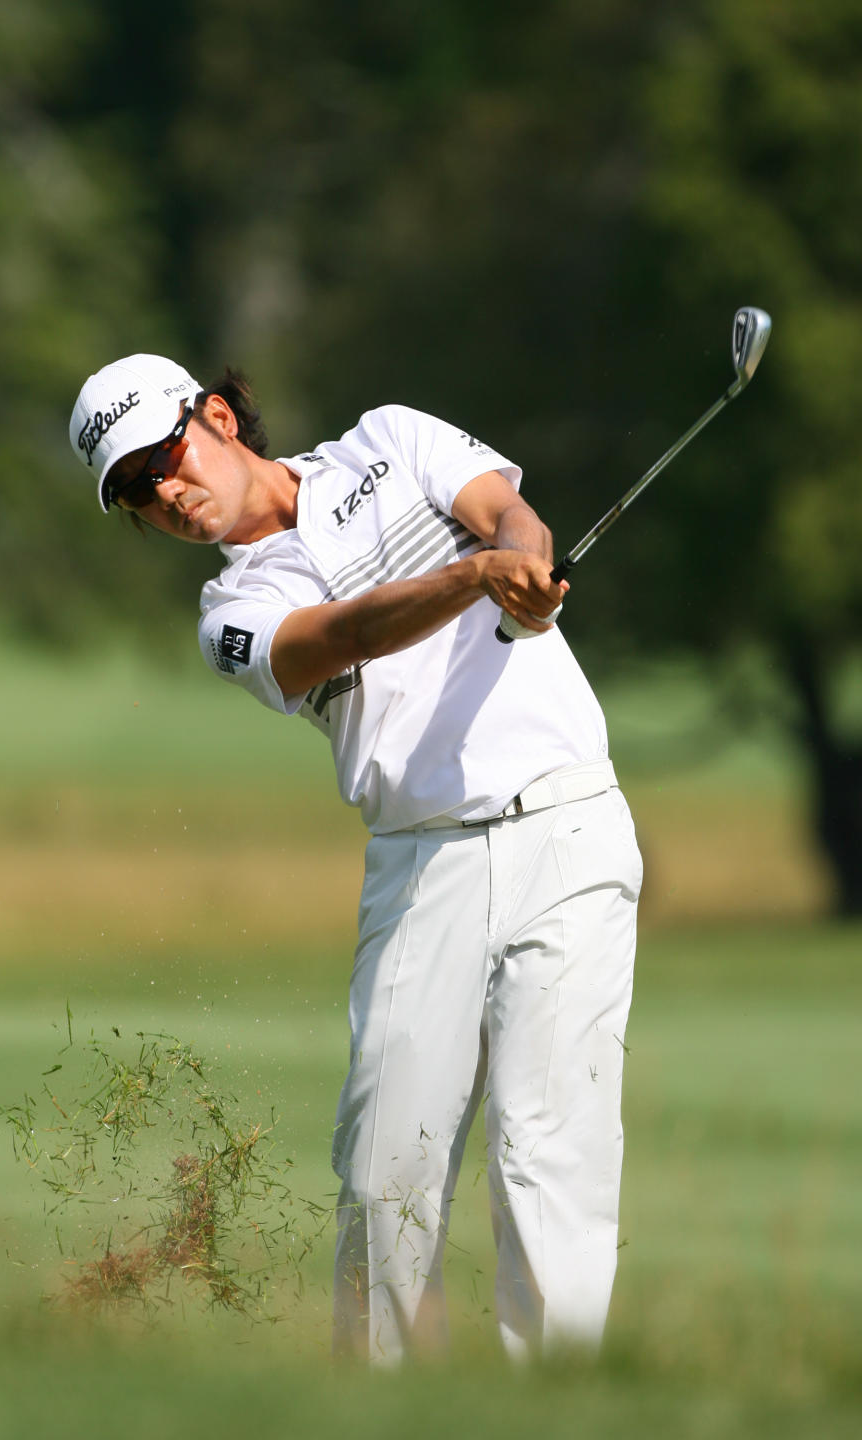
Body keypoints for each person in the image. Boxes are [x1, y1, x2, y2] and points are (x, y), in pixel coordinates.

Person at [69, 353, 643, 1364]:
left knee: (551, 1154)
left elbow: (512, 515)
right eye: (135, 492)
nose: (164, 491)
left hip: (568, 823)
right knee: (387, 1176)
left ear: (214, 415)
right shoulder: (228, 620)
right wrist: (472, 575)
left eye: (164, 455)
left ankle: (563, 1409)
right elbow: (332, 638)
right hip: (422, 868)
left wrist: (519, 562)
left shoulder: (389, 437)